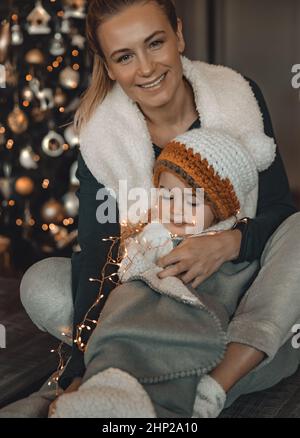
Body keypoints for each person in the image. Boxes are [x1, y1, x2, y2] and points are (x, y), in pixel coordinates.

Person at [2, 0, 300, 418]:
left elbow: (278, 214)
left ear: (178, 34)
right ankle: (130, 387)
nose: (145, 68)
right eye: (124, 56)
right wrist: (76, 365)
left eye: (155, 43)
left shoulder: (239, 97)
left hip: (238, 300)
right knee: (42, 283)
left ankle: (203, 384)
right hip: (148, 304)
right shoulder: (102, 136)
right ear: (108, 66)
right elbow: (96, 253)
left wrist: (228, 242)